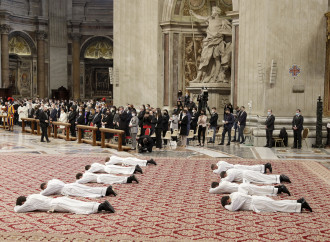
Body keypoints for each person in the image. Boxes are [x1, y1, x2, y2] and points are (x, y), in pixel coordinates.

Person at [189, 7, 232, 83]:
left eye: (213, 10)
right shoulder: (209, 19)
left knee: (217, 60)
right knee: (204, 59)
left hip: (218, 41)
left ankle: (215, 77)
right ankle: (198, 78)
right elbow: (201, 18)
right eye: (212, 10)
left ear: (217, 12)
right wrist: (193, 13)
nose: (212, 12)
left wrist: (221, 33)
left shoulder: (222, 21)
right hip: (208, 42)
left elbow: (230, 31)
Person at [14, 194, 115, 214]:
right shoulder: (32, 195)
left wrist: (17, 206)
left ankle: (101, 207)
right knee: (78, 203)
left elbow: (18, 210)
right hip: (58, 199)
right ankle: (100, 204)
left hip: (55, 205)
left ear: (23, 202)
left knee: (77, 208)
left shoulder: (29, 202)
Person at [221, 192, 312, 213]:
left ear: (227, 201)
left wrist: (226, 207)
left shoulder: (235, 198)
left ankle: (300, 206)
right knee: (277, 203)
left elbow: (232, 208)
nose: (229, 204)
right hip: (257, 200)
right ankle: (297, 201)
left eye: (228, 203)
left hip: (258, 203)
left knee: (278, 206)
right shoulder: (234, 194)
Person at [40, 179, 117, 198]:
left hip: (67, 189)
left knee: (84, 193)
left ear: (45, 186)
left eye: (44, 188)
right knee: (88, 188)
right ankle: (106, 190)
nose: (45, 189)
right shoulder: (53, 180)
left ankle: (103, 192)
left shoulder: (50, 185)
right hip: (71, 185)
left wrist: (41, 192)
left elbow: (44, 193)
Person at [209, 181, 290, 196]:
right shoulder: (223, 182)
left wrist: (212, 188)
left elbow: (211, 191)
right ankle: (277, 188)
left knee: (260, 191)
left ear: (217, 186)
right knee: (260, 189)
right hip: (243, 186)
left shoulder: (221, 186)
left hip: (242, 188)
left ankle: (280, 189)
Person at [220, 169, 291, 184]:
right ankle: (278, 177)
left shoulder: (230, 174)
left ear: (225, 175)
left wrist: (222, 179)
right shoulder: (229, 170)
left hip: (247, 175)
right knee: (262, 177)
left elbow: (228, 179)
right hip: (247, 172)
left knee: (261, 179)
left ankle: (280, 178)